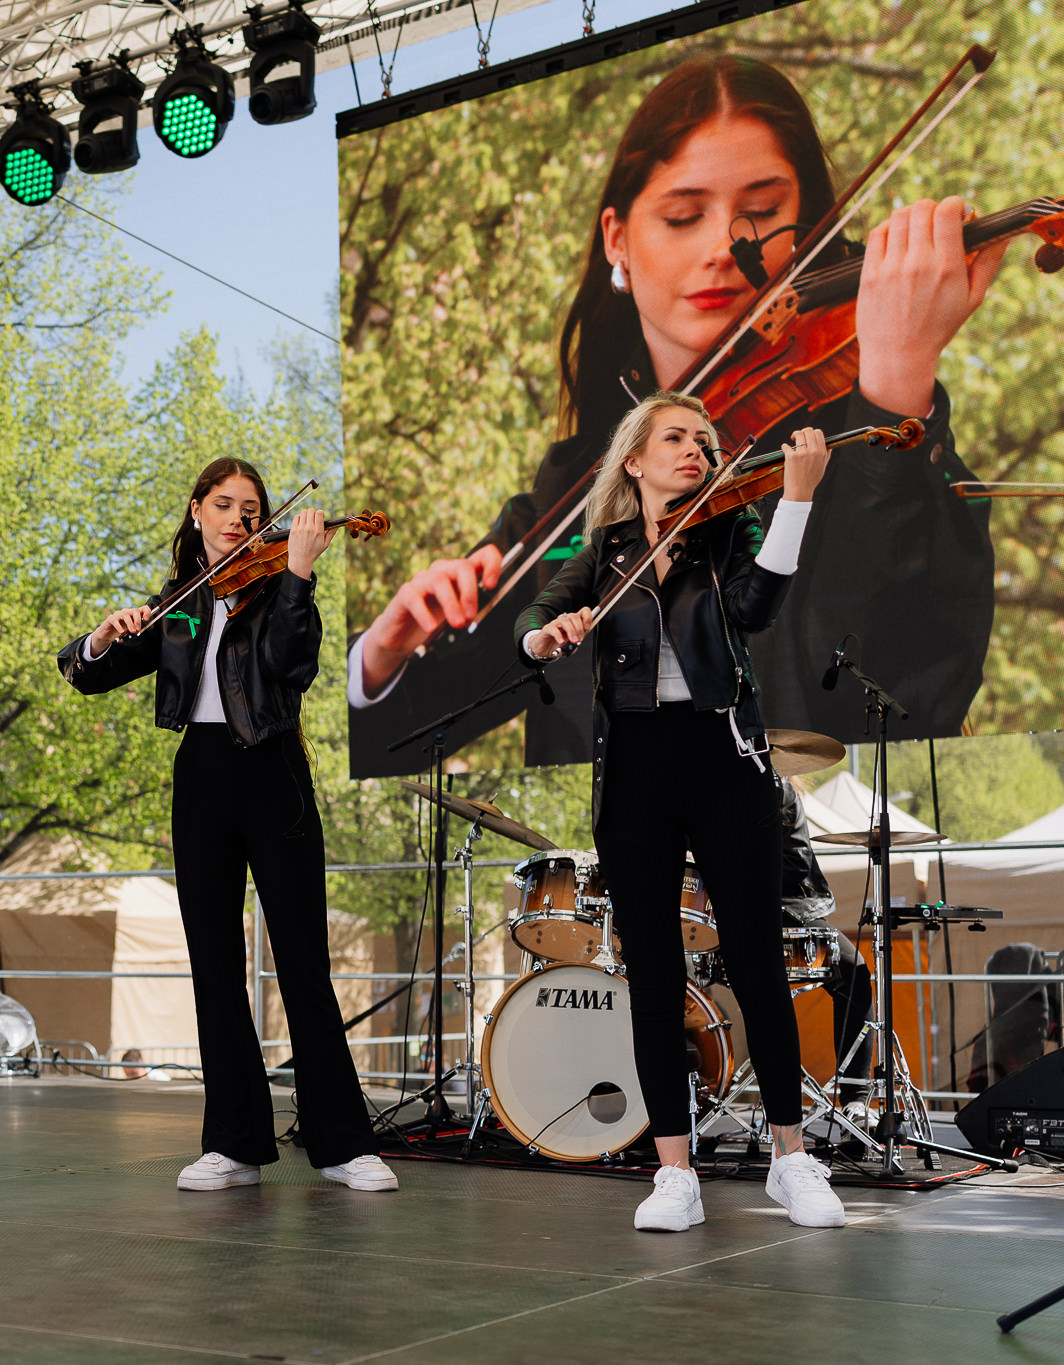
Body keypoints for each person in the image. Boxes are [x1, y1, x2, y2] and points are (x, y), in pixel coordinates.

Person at [350, 53, 1006, 773]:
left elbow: (891, 706)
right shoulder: (570, 489)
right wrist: (382, 655)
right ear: (618, 240)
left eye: (762, 213)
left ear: (806, 230)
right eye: (683, 215)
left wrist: (897, 384)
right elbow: (392, 742)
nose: (724, 246)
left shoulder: (866, 442)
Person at [515, 391, 845, 1231]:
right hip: (634, 767)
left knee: (758, 961)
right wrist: (543, 638)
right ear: (634, 459)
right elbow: (536, 613)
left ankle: (791, 1160)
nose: (696, 447)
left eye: (704, 438)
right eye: (676, 436)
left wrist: (796, 500)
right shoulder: (606, 547)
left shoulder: (730, 527)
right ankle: (674, 1172)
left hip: (723, 757)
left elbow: (754, 609)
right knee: (654, 975)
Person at [58, 458, 399, 1194]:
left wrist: (299, 574)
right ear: (196, 512)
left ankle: (344, 1144)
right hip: (203, 776)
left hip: (274, 771)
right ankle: (234, 1144)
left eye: (251, 508)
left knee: (303, 963)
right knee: (213, 965)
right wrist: (101, 637)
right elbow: (86, 674)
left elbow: (290, 665)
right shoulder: (179, 601)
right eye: (222, 504)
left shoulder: (281, 587)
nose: (237, 519)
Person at [777, 778, 872, 1106]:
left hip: (724, 920)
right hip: (777, 918)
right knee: (854, 974)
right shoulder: (777, 785)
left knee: (853, 971)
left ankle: (855, 1100)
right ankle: (855, 1099)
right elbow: (796, 864)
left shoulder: (700, 785)